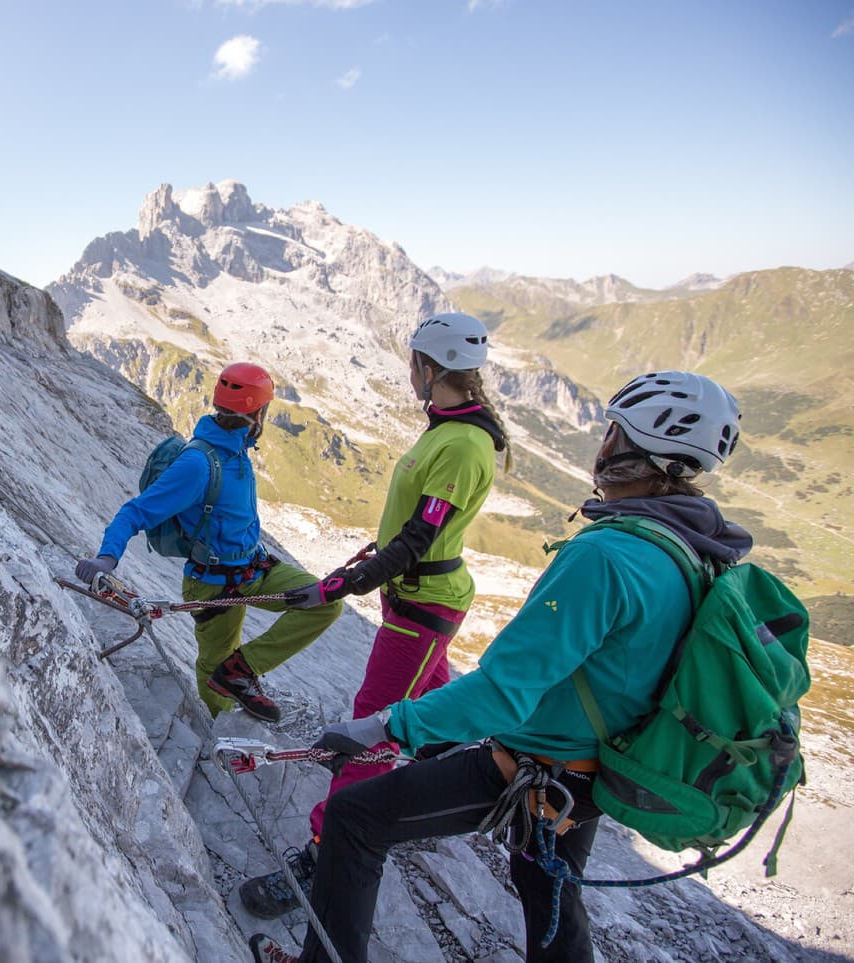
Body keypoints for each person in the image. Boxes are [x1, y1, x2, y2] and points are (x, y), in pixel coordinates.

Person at [248, 370, 749, 963]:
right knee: (546, 885)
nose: (603, 442)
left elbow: (505, 691)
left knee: (356, 818)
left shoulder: (607, 555)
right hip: (596, 768)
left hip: (540, 767)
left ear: (631, 448)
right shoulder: (693, 549)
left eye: (613, 431)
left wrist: (385, 727)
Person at [240, 312, 510, 918]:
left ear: (430, 368)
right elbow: (413, 530)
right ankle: (452, 780)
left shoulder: (462, 444)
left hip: (422, 605)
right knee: (431, 700)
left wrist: (341, 587)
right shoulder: (449, 428)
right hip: (419, 598)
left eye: (413, 363)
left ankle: (321, 854)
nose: (409, 373)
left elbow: (418, 539)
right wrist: (365, 568)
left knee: (372, 726)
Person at [76, 362, 342, 723]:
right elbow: (135, 512)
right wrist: (107, 558)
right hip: (212, 583)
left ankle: (240, 671)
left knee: (326, 601)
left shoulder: (237, 449)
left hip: (254, 569)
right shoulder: (198, 464)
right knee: (212, 663)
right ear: (258, 414)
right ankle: (220, 724)